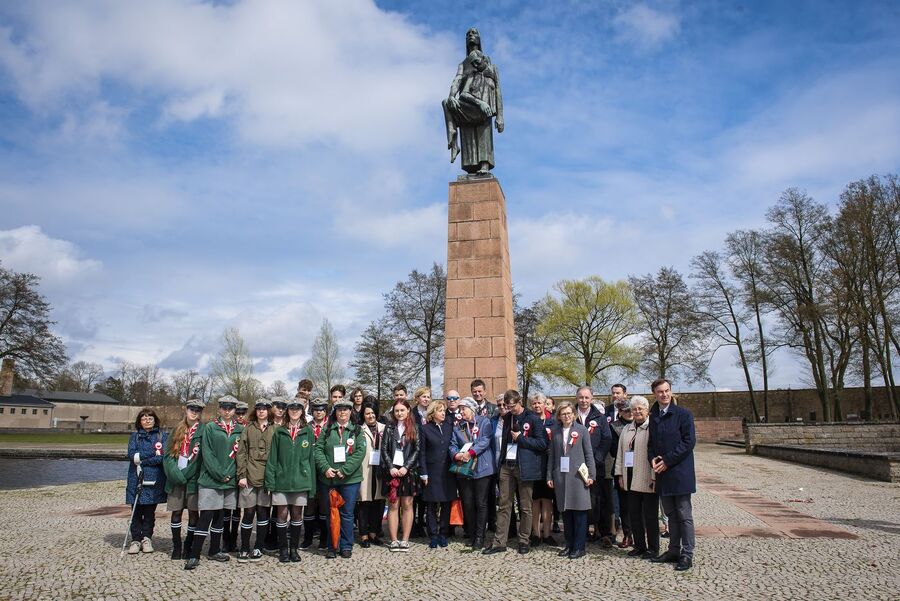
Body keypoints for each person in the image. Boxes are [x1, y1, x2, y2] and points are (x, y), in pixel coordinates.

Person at [484, 389, 548, 555]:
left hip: (524, 467)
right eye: (507, 406)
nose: (509, 409)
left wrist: (521, 438)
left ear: (520, 402)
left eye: (512, 406)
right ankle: (499, 542)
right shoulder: (507, 418)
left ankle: (524, 540)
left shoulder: (532, 418)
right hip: (507, 465)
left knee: (525, 506)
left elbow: (542, 444)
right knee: (504, 505)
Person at [185, 396, 243, 570]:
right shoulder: (210, 427)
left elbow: (240, 455)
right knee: (206, 516)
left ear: (234, 410)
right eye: (224, 408)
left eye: (231, 408)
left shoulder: (240, 429)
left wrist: (230, 474)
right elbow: (207, 453)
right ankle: (194, 554)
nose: (227, 411)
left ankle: (214, 549)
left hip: (229, 480)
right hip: (211, 479)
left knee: (220, 516)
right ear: (219, 409)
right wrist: (219, 474)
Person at [649, 379, 696, 571]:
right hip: (662, 473)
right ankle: (673, 550)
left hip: (680, 472)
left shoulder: (683, 414)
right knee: (670, 514)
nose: (664, 394)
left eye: (667, 390)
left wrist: (667, 460)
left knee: (684, 514)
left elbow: (689, 442)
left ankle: (687, 553)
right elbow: (651, 443)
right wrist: (652, 459)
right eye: (660, 392)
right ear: (654, 394)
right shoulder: (654, 416)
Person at [442, 27, 504, 175]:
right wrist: (451, 95)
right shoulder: (463, 65)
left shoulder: (490, 65)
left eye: (474, 33)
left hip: (486, 105)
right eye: (468, 34)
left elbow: (498, 90)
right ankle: (455, 144)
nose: (471, 35)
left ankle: (484, 164)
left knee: (483, 133)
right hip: (469, 102)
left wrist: (500, 116)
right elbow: (457, 80)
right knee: (448, 104)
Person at [315, 397, 367, 559]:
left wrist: (346, 470)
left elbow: (360, 452)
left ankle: (346, 546)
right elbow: (318, 450)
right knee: (331, 514)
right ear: (335, 412)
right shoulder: (327, 429)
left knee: (347, 514)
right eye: (339, 409)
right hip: (329, 479)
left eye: (345, 409)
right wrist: (325, 468)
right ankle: (332, 545)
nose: (342, 412)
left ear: (350, 412)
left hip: (350, 480)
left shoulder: (357, 430)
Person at [265, 398, 316, 563]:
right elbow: (272, 458)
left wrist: (312, 485)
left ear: (302, 411)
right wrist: (270, 482)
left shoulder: (308, 431)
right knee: (281, 514)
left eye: (298, 408)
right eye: (292, 408)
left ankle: (294, 549)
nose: (294, 411)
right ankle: (283, 549)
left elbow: (311, 459)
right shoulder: (279, 432)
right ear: (287, 411)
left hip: (301, 480)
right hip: (282, 480)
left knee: (296, 514)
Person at [547, 401, 595, 560]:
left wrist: (591, 475)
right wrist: (549, 476)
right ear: (559, 416)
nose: (566, 416)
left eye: (569, 413)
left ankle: (579, 547)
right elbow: (552, 455)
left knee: (579, 511)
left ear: (574, 414)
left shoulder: (582, 430)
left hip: (578, 476)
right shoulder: (555, 431)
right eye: (563, 414)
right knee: (566, 512)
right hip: (561, 476)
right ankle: (569, 544)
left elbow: (589, 454)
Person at [615, 396, 658, 560]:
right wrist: (619, 474)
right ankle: (639, 546)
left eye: (640, 408)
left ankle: (653, 548)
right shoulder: (627, 429)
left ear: (647, 410)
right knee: (634, 514)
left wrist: (654, 476)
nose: (637, 411)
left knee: (650, 516)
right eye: (634, 409)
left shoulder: (652, 427)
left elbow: (656, 453)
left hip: (647, 477)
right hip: (630, 477)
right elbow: (620, 453)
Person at [450, 397, 494, 549]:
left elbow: (485, 440)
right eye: (460, 409)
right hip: (464, 469)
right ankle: (472, 534)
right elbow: (452, 444)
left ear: (472, 409)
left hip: (482, 468)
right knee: (468, 503)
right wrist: (456, 455)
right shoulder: (458, 427)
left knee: (481, 503)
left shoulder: (484, 422)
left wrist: (471, 452)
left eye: (464, 408)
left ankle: (480, 536)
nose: (461, 412)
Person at [163, 398, 204, 560]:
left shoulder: (203, 430)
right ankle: (177, 546)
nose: (194, 412)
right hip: (176, 478)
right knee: (176, 512)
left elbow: (200, 459)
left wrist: (186, 474)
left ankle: (188, 544)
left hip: (193, 478)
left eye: (197, 410)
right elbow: (168, 455)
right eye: (191, 409)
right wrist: (176, 474)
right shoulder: (176, 430)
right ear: (186, 410)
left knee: (193, 513)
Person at [235, 398, 274, 562]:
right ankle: (244, 547)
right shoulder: (248, 428)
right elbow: (241, 453)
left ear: (269, 411)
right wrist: (241, 475)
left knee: (263, 513)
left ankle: (259, 546)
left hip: (267, 477)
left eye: (264, 408)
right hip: (249, 477)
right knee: (249, 513)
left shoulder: (275, 429)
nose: (261, 411)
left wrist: (273, 479)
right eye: (258, 408)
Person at [574, 386, 613, 546]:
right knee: (579, 499)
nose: (583, 400)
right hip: (575, 467)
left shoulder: (600, 418)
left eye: (586, 397)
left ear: (591, 398)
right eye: (581, 397)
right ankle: (581, 533)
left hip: (596, 466)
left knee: (599, 500)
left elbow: (607, 439)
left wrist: (596, 459)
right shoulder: (570, 415)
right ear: (576, 398)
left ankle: (604, 534)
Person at [125, 408, 167, 555]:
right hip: (136, 477)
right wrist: (151, 453)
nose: (147, 421)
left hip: (154, 478)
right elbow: (132, 455)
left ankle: (146, 538)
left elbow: (162, 456)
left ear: (155, 420)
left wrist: (143, 459)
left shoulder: (162, 436)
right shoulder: (135, 437)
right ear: (140, 421)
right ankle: (135, 539)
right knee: (136, 510)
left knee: (149, 511)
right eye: (144, 418)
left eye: (150, 418)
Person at [381, 398, 421, 551]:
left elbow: (417, 449)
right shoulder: (389, 427)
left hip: (408, 472)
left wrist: (406, 466)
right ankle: (393, 540)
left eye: (402, 410)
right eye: (397, 411)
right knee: (393, 505)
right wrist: (391, 467)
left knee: (407, 504)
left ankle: (405, 540)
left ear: (408, 410)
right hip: (392, 472)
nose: (399, 413)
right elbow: (384, 449)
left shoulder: (414, 427)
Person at [418, 399, 457, 548]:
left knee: (446, 503)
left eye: (444, 411)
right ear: (433, 413)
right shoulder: (425, 429)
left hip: (447, 471)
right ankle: (433, 535)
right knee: (432, 504)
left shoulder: (449, 426)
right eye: (440, 411)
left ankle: (443, 533)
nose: (443, 413)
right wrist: (424, 473)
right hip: (432, 471)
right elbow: (422, 452)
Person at [301, 398, 331, 550]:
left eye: (321, 410)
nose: (319, 412)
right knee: (309, 505)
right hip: (310, 470)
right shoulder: (306, 427)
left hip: (325, 470)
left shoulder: (330, 427)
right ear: (312, 411)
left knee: (325, 506)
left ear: (326, 411)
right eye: (316, 410)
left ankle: (324, 539)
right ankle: (307, 538)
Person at [357, 398, 386, 547]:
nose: (371, 416)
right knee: (364, 502)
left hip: (380, 469)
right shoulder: (358, 429)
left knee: (378, 503)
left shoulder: (384, 428)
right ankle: (363, 535)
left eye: (373, 413)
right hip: (365, 470)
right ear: (363, 415)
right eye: (367, 413)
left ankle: (374, 532)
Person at [528, 392, 556, 547]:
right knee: (535, 501)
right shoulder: (528, 421)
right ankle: (536, 534)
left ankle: (547, 533)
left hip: (549, 464)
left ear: (545, 404)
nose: (537, 405)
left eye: (539, 403)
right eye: (534, 403)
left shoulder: (553, 422)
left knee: (547, 500)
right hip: (533, 464)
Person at [610, 399, 634, 549]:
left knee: (640, 505)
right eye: (626, 410)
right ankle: (627, 534)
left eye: (631, 409)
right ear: (620, 412)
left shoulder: (642, 424)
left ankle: (640, 535)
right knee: (625, 505)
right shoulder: (615, 426)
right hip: (623, 468)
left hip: (640, 468)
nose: (630, 413)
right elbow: (613, 450)